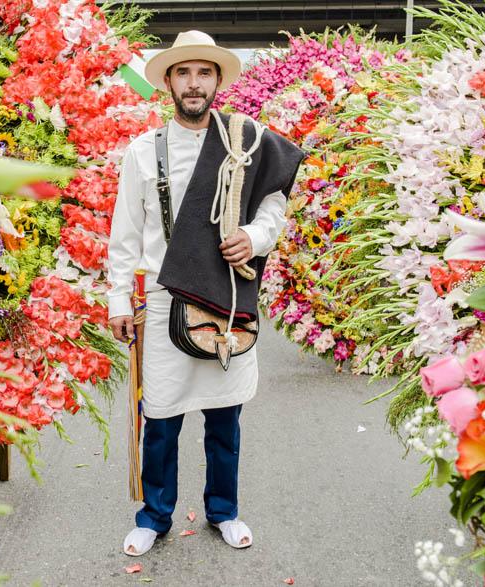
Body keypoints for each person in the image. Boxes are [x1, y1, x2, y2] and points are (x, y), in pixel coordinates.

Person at [107, 30, 304, 556]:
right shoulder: (142, 151)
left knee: (224, 417)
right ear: (168, 82)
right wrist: (118, 300)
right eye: (184, 73)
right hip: (167, 300)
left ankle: (224, 510)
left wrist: (254, 238)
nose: (194, 84)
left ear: (217, 80)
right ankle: (154, 516)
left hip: (227, 298)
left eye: (204, 73)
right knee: (162, 420)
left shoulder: (248, 141)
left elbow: (273, 209)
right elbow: (124, 236)